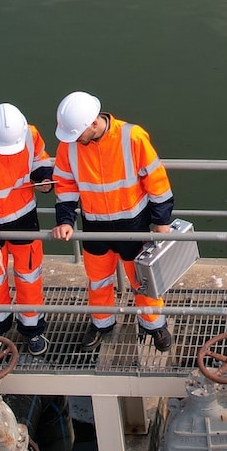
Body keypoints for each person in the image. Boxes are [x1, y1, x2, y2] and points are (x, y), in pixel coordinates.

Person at [49, 90, 174, 354]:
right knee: (97, 280)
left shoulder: (132, 137)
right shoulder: (69, 144)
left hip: (133, 226)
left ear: (94, 124)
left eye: (77, 134)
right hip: (94, 227)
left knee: (144, 280)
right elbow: (65, 185)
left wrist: (161, 223)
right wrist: (65, 220)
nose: (74, 140)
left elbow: (157, 182)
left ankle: (154, 325)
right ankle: (101, 323)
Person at [0, 103, 54, 356]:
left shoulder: (29, 134)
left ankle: (33, 329)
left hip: (24, 221)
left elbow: (39, 160)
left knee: (29, 278)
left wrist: (44, 179)